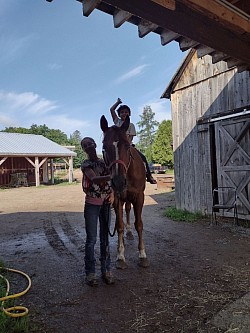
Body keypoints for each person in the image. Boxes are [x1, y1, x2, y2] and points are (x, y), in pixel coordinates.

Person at [81, 137, 115, 286]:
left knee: (105, 239)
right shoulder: (86, 164)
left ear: (95, 144)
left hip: (106, 204)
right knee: (91, 240)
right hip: (92, 205)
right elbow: (94, 179)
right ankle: (90, 273)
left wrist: (112, 193)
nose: (89, 146)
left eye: (90, 143)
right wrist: (113, 176)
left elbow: (110, 183)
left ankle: (106, 270)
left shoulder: (104, 162)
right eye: (85, 145)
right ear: (84, 149)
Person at [110, 98, 157, 184]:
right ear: (119, 114)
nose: (124, 113)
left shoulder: (131, 125)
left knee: (143, 158)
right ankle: (109, 177)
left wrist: (125, 145)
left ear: (129, 114)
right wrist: (117, 102)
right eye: (122, 112)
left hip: (128, 145)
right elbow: (111, 110)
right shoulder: (117, 122)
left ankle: (148, 175)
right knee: (110, 158)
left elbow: (130, 138)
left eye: (126, 112)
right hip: (117, 146)